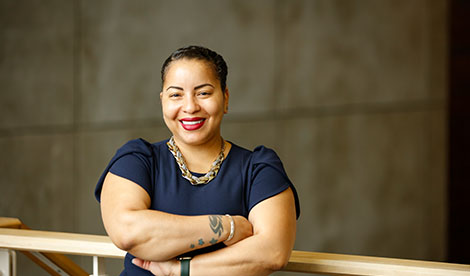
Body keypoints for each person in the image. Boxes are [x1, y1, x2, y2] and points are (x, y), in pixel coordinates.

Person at [95, 45, 300, 276]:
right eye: (176, 95)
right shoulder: (137, 160)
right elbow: (128, 232)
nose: (190, 107)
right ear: (163, 100)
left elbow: (272, 253)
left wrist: (180, 270)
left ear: (225, 98)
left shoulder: (259, 169)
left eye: (203, 93)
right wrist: (228, 227)